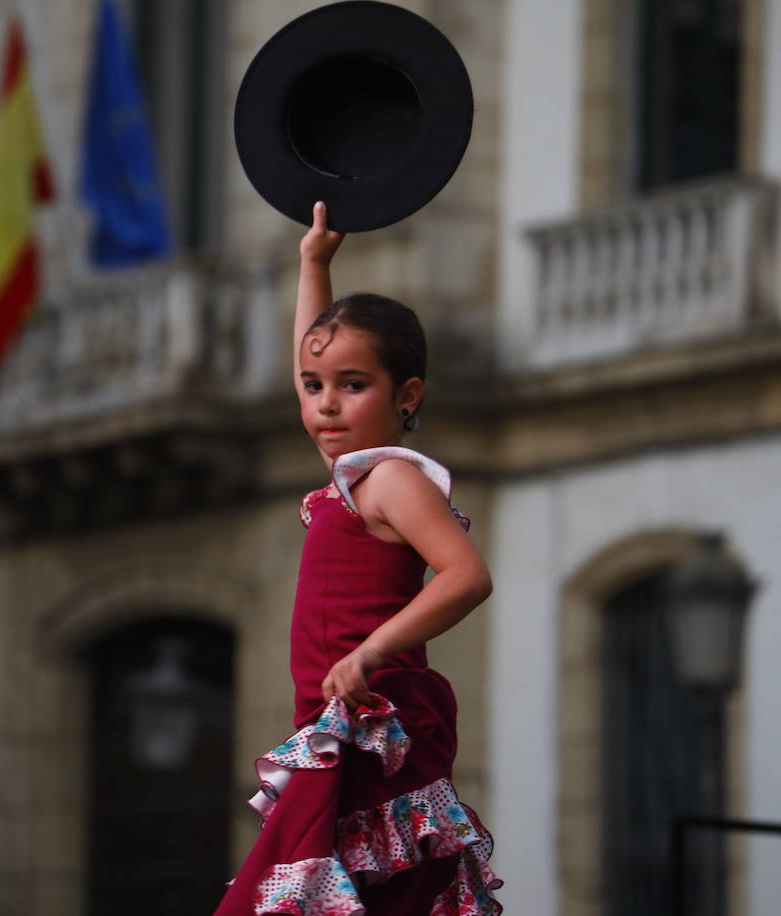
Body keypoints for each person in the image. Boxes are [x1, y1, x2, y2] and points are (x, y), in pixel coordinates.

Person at [214, 202, 503, 915]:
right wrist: (314, 262)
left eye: (353, 386)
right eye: (314, 389)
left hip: (377, 724)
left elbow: (468, 576)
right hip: (335, 721)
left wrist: (371, 652)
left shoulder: (392, 479)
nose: (325, 408)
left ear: (406, 396)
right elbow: (309, 356)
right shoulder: (351, 481)